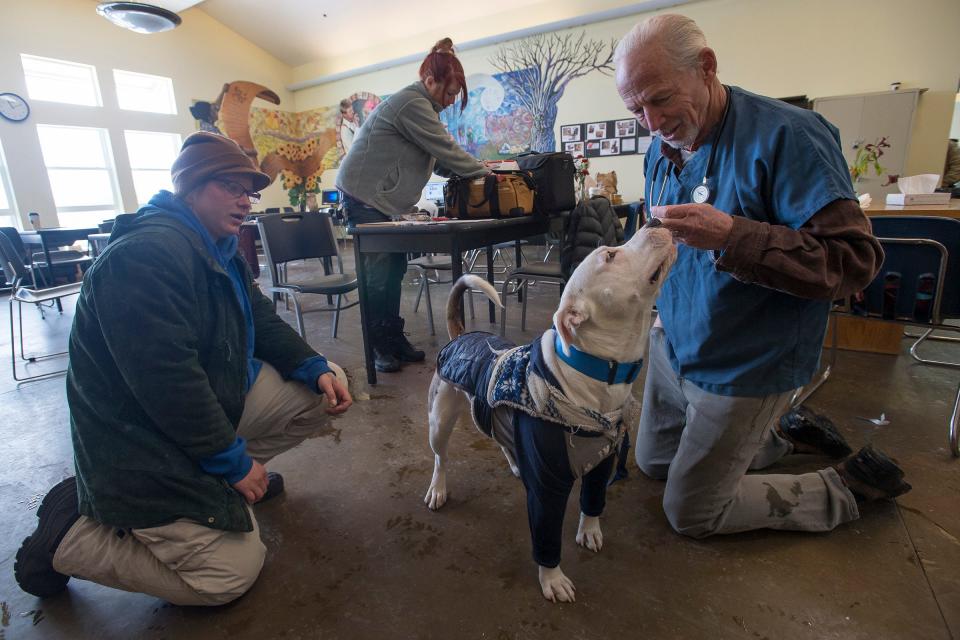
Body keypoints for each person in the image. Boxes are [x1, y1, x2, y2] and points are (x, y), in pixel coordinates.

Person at [14, 132, 353, 605]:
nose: (245, 201)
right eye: (230, 187)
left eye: (248, 191)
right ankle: (70, 536)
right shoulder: (145, 257)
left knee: (324, 387)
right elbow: (167, 382)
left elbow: (259, 318)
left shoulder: (216, 245)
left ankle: (220, 488)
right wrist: (233, 461)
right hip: (136, 444)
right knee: (229, 575)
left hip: (188, 418)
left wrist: (313, 365)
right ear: (190, 188)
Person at [614, 14, 910, 539]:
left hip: (747, 358)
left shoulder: (790, 137)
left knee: (692, 512)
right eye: (635, 108)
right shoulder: (663, 145)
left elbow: (852, 261)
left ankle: (844, 487)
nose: (651, 122)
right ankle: (774, 439)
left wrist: (733, 235)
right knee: (653, 465)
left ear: (706, 67)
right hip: (676, 345)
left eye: (660, 99)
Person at [336, 37, 491, 373]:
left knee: (394, 270)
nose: (450, 101)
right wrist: (486, 174)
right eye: (448, 93)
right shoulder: (412, 103)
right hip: (364, 196)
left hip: (381, 200)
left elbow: (438, 160)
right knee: (377, 274)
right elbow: (447, 149)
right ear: (429, 81)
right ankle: (379, 345)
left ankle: (393, 338)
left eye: (455, 95)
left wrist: (472, 171)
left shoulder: (424, 109)